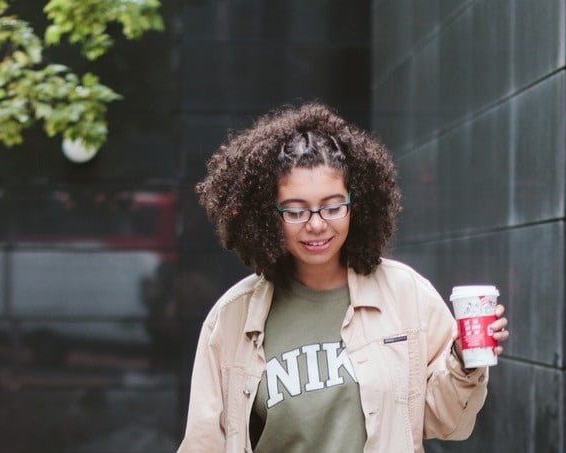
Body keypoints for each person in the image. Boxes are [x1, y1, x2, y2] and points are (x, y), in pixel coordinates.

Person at [177, 102, 510, 453]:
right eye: (296, 210)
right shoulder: (232, 317)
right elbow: (204, 442)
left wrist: (463, 360)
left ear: (357, 203)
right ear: (266, 215)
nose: (317, 224)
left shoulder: (407, 294)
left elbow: (447, 422)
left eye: (333, 206)